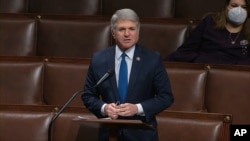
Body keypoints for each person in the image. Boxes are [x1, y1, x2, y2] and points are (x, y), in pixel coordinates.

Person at [82, 8, 174, 141]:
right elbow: (88, 95)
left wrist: (137, 108)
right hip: (109, 135)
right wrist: (104, 108)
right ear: (113, 33)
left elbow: (166, 97)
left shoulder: (152, 59)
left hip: (141, 134)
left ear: (138, 32)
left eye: (132, 29)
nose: (127, 34)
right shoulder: (99, 59)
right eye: (121, 29)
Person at [166, 0, 250, 65]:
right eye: (234, 6)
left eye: (244, 7)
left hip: (236, 78)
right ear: (226, 8)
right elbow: (185, 52)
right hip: (206, 70)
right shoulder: (209, 23)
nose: (239, 10)